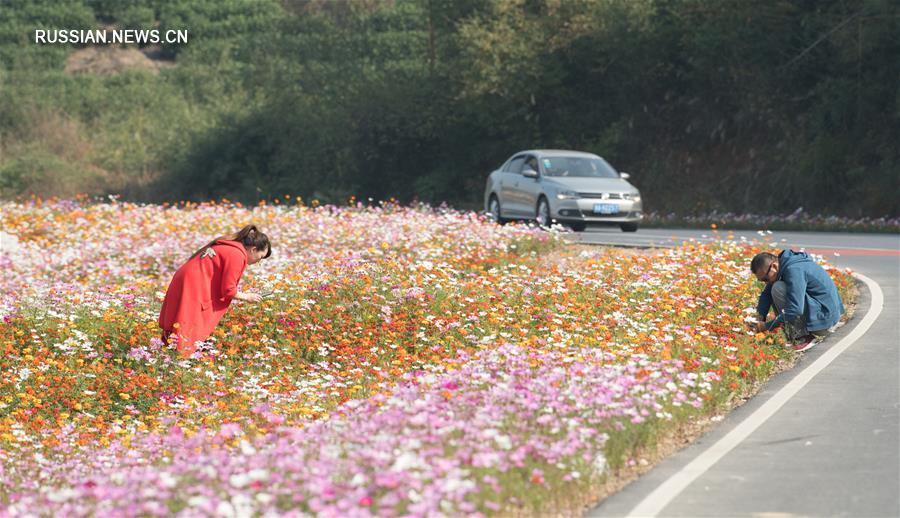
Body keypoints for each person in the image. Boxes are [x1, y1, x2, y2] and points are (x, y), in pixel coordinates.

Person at [159, 224, 271, 356]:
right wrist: (247, 296)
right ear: (253, 249)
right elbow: (228, 290)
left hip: (186, 278)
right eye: (260, 257)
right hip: (193, 282)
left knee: (181, 315)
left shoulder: (229, 247)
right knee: (189, 318)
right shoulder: (237, 254)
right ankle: (180, 356)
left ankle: (168, 353)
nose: (258, 262)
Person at [749, 250, 844, 352]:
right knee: (774, 286)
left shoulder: (794, 270)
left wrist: (767, 326)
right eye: (761, 280)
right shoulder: (786, 264)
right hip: (827, 315)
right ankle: (799, 333)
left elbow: (795, 309)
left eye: (765, 279)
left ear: (774, 266)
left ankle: (802, 337)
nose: (765, 282)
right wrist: (760, 316)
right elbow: (766, 294)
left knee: (777, 288)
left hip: (825, 321)